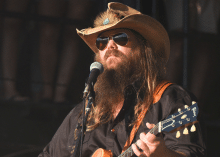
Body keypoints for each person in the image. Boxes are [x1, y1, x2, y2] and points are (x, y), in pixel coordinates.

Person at [38, 2, 205, 157]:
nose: (110, 45)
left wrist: (164, 154)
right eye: (102, 41)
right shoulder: (84, 112)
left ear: (143, 50)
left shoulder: (170, 99)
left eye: (120, 38)